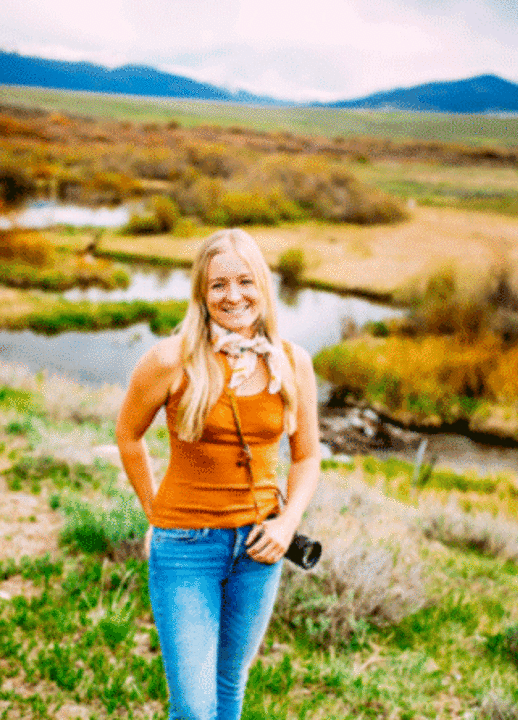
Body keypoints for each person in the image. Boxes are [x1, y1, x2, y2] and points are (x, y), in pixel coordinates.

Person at [115, 228, 321, 720]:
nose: (233, 296)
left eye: (245, 282)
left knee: (230, 687)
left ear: (263, 287)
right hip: (186, 548)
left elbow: (307, 456)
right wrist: (155, 510)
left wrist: (287, 522)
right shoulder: (171, 361)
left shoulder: (293, 363)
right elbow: (128, 436)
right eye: (218, 285)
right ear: (201, 294)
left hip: (259, 547)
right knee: (193, 706)